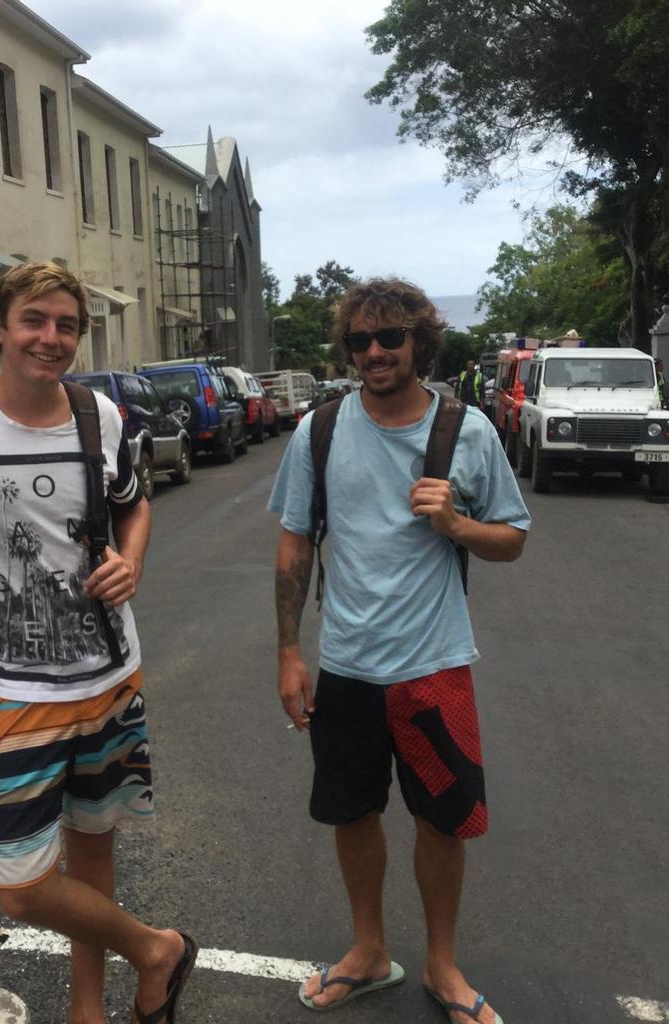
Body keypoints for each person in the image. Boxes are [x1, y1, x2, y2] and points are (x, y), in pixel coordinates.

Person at [0, 262, 197, 1024]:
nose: (51, 337)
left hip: (110, 674)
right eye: (34, 320)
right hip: (20, 687)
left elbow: (135, 508)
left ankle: (88, 1009)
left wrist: (131, 561)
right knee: (23, 886)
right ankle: (156, 949)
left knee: (93, 850)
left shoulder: (98, 416)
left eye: (67, 324)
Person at [269, 278, 529, 1024]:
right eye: (360, 341)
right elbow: (295, 544)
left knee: (442, 820)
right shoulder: (318, 430)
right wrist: (289, 651)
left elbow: (512, 537)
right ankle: (369, 950)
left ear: (420, 341)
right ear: (347, 348)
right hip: (346, 665)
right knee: (352, 813)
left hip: (435, 663)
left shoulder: (466, 431)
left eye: (390, 338)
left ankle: (443, 965)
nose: (375, 352)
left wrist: (455, 524)